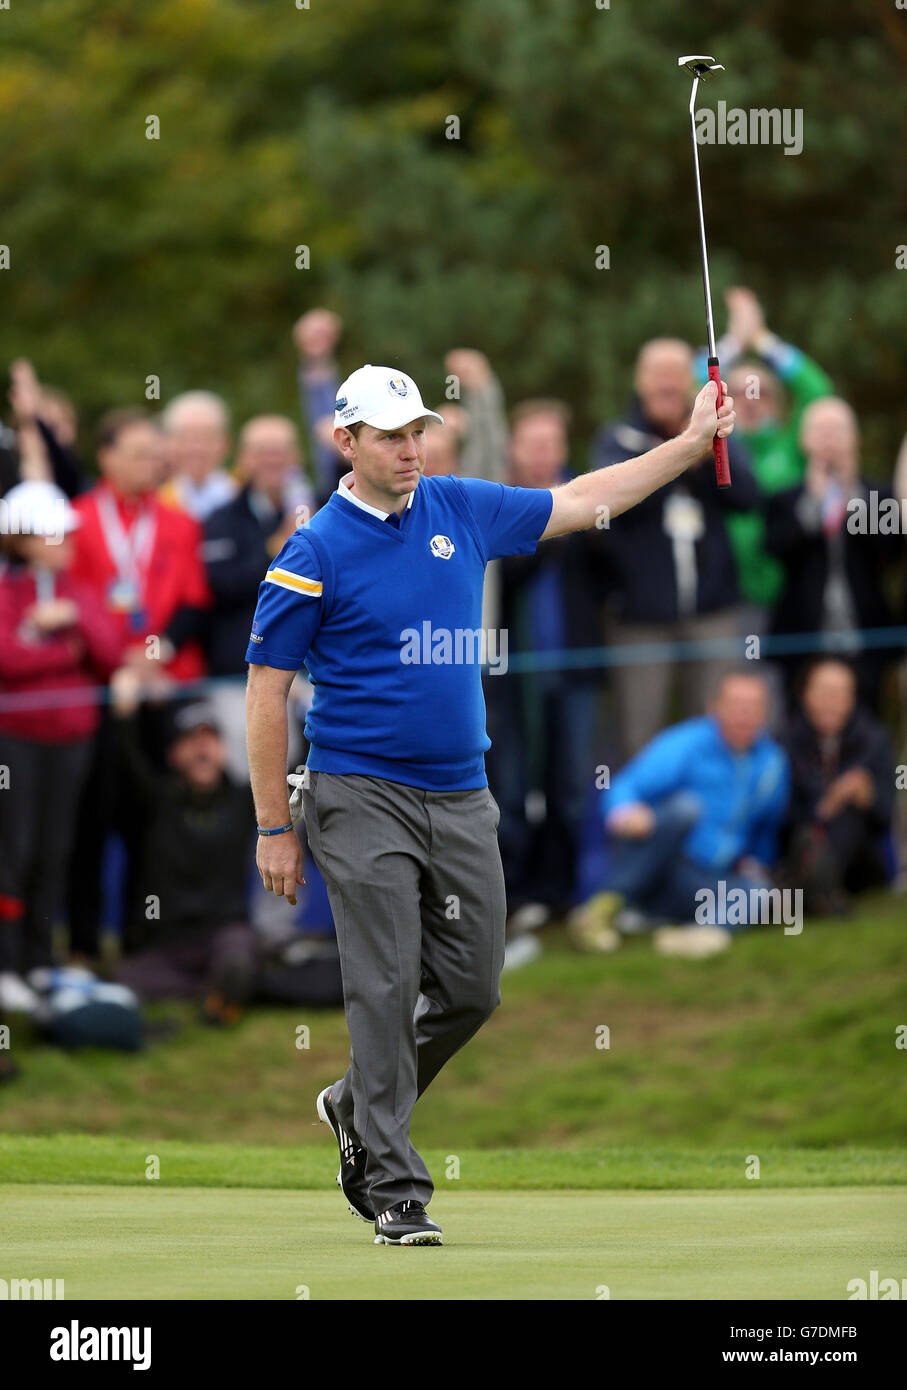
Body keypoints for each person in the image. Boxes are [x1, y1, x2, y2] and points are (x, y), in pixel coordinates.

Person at [245, 361, 736, 1245]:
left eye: (416, 431)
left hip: (461, 793)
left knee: (473, 986)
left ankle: (353, 1102)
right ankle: (395, 1188)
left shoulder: (457, 505)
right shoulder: (311, 550)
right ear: (344, 440)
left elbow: (586, 498)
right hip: (357, 794)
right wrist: (274, 828)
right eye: (390, 435)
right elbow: (265, 689)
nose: (409, 448)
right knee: (387, 987)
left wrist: (689, 444)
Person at [66, 409, 212, 960]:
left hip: (159, 691)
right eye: (139, 454)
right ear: (105, 457)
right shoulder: (78, 520)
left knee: (151, 820)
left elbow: (194, 602)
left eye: (157, 455)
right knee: (89, 818)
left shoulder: (179, 523)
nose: (152, 465)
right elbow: (76, 601)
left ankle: (142, 943)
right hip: (99, 695)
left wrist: (150, 655)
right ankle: (81, 944)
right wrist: (119, 662)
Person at [593, 338, 758, 756]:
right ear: (640, 381)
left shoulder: (713, 431)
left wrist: (704, 447)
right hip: (641, 617)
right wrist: (678, 453)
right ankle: (636, 819)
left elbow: (747, 496)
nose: (668, 387)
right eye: (658, 376)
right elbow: (609, 509)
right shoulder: (618, 438)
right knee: (639, 730)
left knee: (714, 729)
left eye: (676, 376)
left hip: (712, 610)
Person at [486, 399, 608, 931]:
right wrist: (546, 521)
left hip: (574, 670)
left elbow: (618, 571)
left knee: (570, 788)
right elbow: (505, 577)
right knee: (512, 786)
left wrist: (580, 515)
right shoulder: (500, 505)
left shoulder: (593, 498)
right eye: (531, 444)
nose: (541, 454)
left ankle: (563, 893)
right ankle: (514, 896)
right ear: (514, 449)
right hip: (512, 676)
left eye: (550, 445)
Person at [0, 482, 122, 1011]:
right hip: (16, 740)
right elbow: (7, 661)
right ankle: (7, 964)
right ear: (26, 539)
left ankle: (38, 963)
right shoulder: (8, 591)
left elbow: (111, 650)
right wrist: (62, 650)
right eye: (58, 532)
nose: (70, 539)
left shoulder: (75, 590)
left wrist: (63, 629)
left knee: (55, 852)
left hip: (72, 741)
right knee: (14, 851)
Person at [570, 670, 789, 959]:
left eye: (753, 706)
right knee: (686, 808)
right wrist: (627, 813)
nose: (744, 714)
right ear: (715, 707)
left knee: (759, 892)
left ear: (765, 713)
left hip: (706, 877)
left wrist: (757, 863)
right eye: (735, 704)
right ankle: (603, 908)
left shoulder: (773, 763)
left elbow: (766, 829)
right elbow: (624, 786)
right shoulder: (686, 742)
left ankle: (698, 932)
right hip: (660, 860)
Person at [111, 672, 260, 1024]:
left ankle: (223, 987)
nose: (202, 748)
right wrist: (124, 714)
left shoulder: (245, 800)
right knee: (122, 981)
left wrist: (299, 707)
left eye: (210, 738)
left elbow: (291, 769)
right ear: (173, 753)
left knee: (237, 953)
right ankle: (215, 992)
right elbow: (125, 763)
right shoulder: (155, 801)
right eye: (191, 740)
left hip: (223, 935)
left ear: (224, 749)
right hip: (169, 944)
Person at [697, 287, 834, 622]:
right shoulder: (714, 442)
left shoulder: (791, 443)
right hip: (722, 596)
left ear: (776, 401)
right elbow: (689, 382)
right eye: (739, 392)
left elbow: (818, 393)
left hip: (789, 590)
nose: (750, 400)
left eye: (761, 392)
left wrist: (762, 340)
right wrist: (733, 341)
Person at [764, 398, 902, 708]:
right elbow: (777, 550)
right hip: (802, 636)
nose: (830, 440)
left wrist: (854, 498)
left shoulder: (880, 495)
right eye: (821, 431)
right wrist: (813, 502)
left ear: (855, 438)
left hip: (866, 635)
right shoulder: (784, 499)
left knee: (867, 718)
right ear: (804, 439)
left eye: (838, 430)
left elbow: (889, 554)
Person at [202, 415, 314, 778]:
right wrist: (276, 550)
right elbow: (222, 586)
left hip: (313, 669)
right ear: (244, 458)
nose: (273, 461)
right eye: (263, 452)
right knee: (255, 767)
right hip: (243, 670)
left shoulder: (320, 508)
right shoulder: (220, 519)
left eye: (281, 452)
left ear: (296, 457)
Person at [782, 658, 894, 914]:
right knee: (808, 837)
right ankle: (820, 890)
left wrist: (869, 798)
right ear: (805, 694)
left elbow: (886, 818)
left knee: (850, 813)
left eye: (840, 692)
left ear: (853, 698)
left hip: (861, 862)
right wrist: (825, 805)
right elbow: (782, 816)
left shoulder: (874, 739)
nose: (831, 700)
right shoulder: (785, 740)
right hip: (801, 844)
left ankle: (816, 889)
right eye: (823, 691)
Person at [159, 391, 238, 521]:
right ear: (167, 443)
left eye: (206, 438)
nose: (196, 448)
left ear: (226, 443)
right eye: (184, 438)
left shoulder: (241, 496)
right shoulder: (157, 502)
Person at [294, 308, 345, 505]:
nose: (319, 341)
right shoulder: (309, 379)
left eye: (324, 335)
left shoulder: (334, 378)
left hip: (333, 476)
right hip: (309, 480)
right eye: (314, 335)